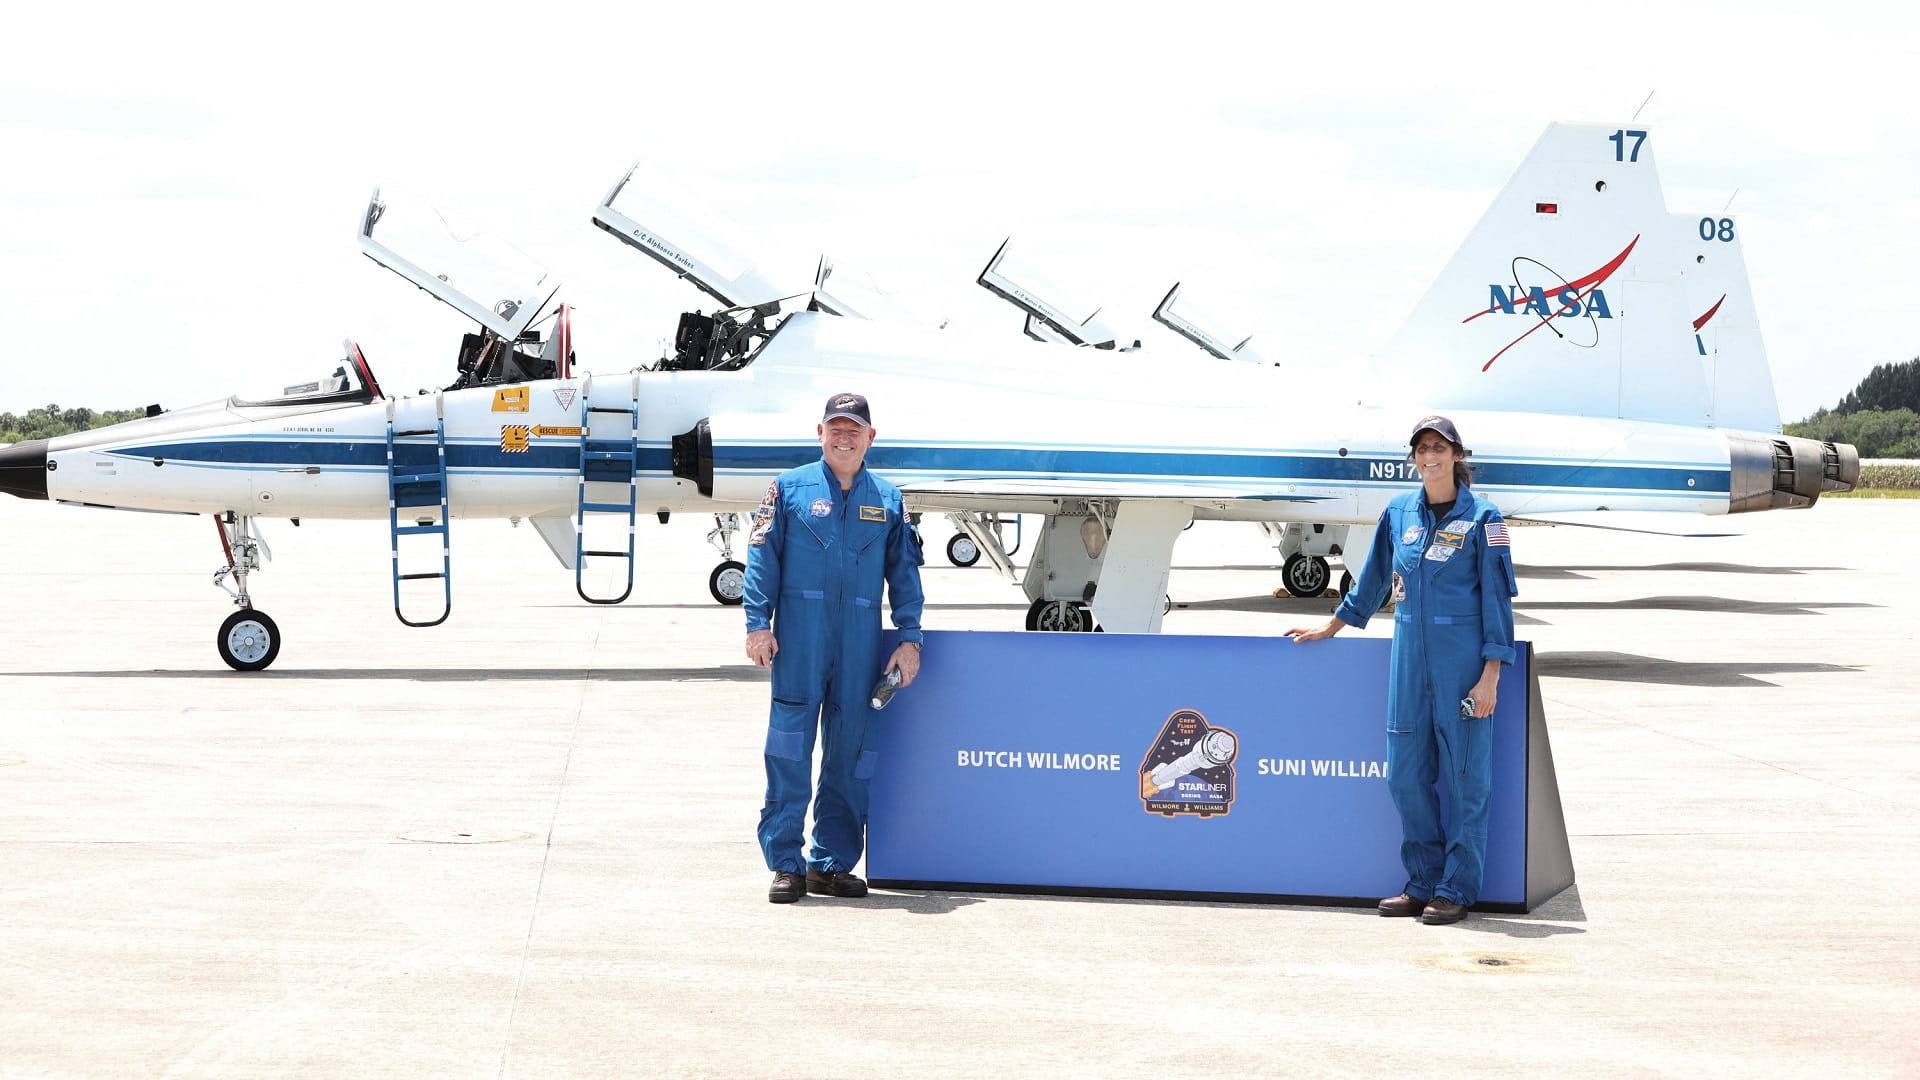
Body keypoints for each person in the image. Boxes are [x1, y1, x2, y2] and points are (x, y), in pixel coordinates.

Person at [1286, 415, 1516, 925]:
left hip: (1463, 661)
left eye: (1439, 448)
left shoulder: (1484, 518)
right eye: (1421, 449)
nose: (1429, 457)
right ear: (1413, 458)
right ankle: (1422, 883)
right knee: (1406, 778)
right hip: (1409, 660)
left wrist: (1491, 673)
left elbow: (1498, 599)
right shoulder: (1398, 513)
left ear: (1458, 456)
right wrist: (1332, 627)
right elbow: (1371, 584)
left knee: (1465, 781)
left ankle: (1457, 888)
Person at [743, 392, 926, 904]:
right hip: (800, 637)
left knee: (852, 753)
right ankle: (786, 863)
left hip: (860, 641)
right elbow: (762, 559)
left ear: (871, 437)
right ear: (819, 433)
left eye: (854, 429)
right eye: (835, 428)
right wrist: (758, 624)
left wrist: (909, 638)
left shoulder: (888, 500)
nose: (844, 437)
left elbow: (904, 576)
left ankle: (829, 864)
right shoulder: (786, 489)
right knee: (788, 748)